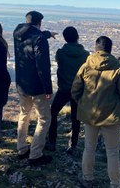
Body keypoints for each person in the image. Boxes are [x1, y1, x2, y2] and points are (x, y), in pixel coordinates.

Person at [71, 36, 120, 188]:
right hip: (111, 116)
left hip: (90, 114)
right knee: (112, 152)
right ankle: (115, 184)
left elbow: (75, 90)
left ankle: (87, 179)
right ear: (110, 49)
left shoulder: (86, 65)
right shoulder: (118, 67)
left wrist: (83, 104)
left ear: (96, 48)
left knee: (89, 148)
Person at [13, 10, 56, 167]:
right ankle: (35, 155)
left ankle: (21, 148)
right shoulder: (39, 39)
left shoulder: (17, 33)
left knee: (24, 114)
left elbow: (32, 36)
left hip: (22, 83)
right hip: (37, 86)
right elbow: (43, 66)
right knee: (44, 118)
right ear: (40, 22)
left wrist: (47, 33)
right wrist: (48, 88)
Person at [46, 26, 89, 154]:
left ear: (65, 38)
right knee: (76, 118)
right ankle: (73, 145)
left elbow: (58, 63)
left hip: (63, 89)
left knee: (52, 113)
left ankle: (52, 142)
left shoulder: (60, 53)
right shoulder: (85, 55)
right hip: (78, 91)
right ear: (77, 37)